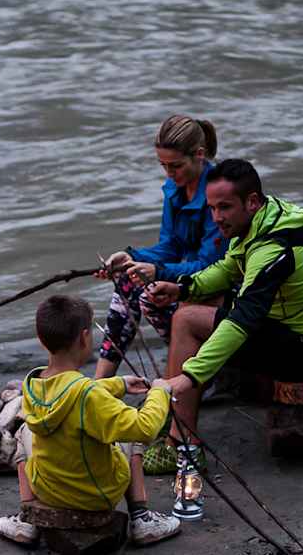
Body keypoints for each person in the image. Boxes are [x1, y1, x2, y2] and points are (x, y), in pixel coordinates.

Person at [144, 159, 303, 519]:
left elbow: (243, 319)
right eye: (211, 208)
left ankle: (183, 441)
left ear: (251, 202)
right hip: (293, 330)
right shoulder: (265, 220)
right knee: (190, 308)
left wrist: (190, 375)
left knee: (188, 321)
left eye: (224, 207)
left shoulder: (273, 248)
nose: (216, 217)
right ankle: (179, 424)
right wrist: (181, 287)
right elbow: (228, 269)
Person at [0, 295, 184, 548]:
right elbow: (144, 428)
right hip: (96, 495)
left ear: (41, 340)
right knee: (128, 437)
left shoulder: (35, 383)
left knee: (24, 432)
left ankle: (27, 518)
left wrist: (118, 384)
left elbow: (71, 392)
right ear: (84, 337)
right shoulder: (88, 396)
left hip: (47, 490)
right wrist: (160, 391)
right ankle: (142, 519)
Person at [94, 115, 226, 387]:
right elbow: (171, 246)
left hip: (222, 287)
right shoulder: (175, 190)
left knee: (151, 296)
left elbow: (211, 265)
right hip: (194, 280)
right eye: (163, 166)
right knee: (127, 280)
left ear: (199, 156)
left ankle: (196, 370)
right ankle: (99, 384)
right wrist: (132, 258)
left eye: (175, 166)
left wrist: (158, 272)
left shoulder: (219, 196)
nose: (169, 173)